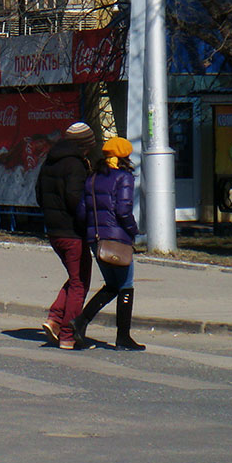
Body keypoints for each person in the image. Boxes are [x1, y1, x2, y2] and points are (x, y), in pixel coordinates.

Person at [73, 136, 144, 350]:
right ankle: (123, 337)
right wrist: (133, 231)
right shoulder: (124, 177)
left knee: (113, 285)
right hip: (117, 239)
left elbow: (82, 212)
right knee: (126, 285)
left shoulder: (92, 178)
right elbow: (123, 210)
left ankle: (80, 322)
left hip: (96, 239)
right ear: (124, 157)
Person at [34, 121, 95, 350]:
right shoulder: (75, 165)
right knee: (80, 282)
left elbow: (39, 193)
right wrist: (87, 223)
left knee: (75, 277)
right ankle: (68, 335)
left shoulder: (49, 161)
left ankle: (55, 320)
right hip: (72, 232)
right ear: (84, 146)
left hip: (53, 230)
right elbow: (75, 200)